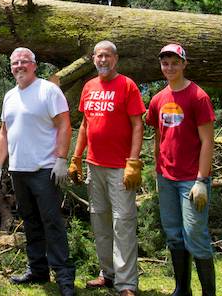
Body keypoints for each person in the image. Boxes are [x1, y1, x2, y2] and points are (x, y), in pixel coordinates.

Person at [0, 47, 76, 296]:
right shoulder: (10, 96)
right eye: (15, 62)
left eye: (24, 62)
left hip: (45, 169)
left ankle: (64, 277)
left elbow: (64, 124)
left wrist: (61, 159)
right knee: (30, 222)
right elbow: (4, 133)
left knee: (52, 222)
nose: (19, 66)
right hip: (18, 170)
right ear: (11, 67)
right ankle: (37, 269)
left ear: (34, 65)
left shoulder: (48, 90)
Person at [69, 41, 145, 296]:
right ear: (93, 59)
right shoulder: (89, 87)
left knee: (123, 223)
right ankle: (108, 274)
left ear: (116, 59)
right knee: (100, 221)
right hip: (94, 166)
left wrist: (133, 162)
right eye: (99, 56)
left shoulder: (127, 85)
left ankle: (126, 284)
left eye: (107, 56)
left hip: (120, 168)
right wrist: (76, 158)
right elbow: (84, 126)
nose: (103, 60)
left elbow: (137, 125)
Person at [145, 44, 216, 296]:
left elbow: (208, 140)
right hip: (166, 177)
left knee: (195, 235)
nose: (170, 67)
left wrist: (201, 180)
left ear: (184, 64)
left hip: (191, 180)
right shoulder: (158, 100)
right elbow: (158, 137)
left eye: (175, 62)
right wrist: (158, 172)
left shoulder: (198, 97)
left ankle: (208, 293)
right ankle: (181, 289)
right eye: (165, 63)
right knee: (174, 235)